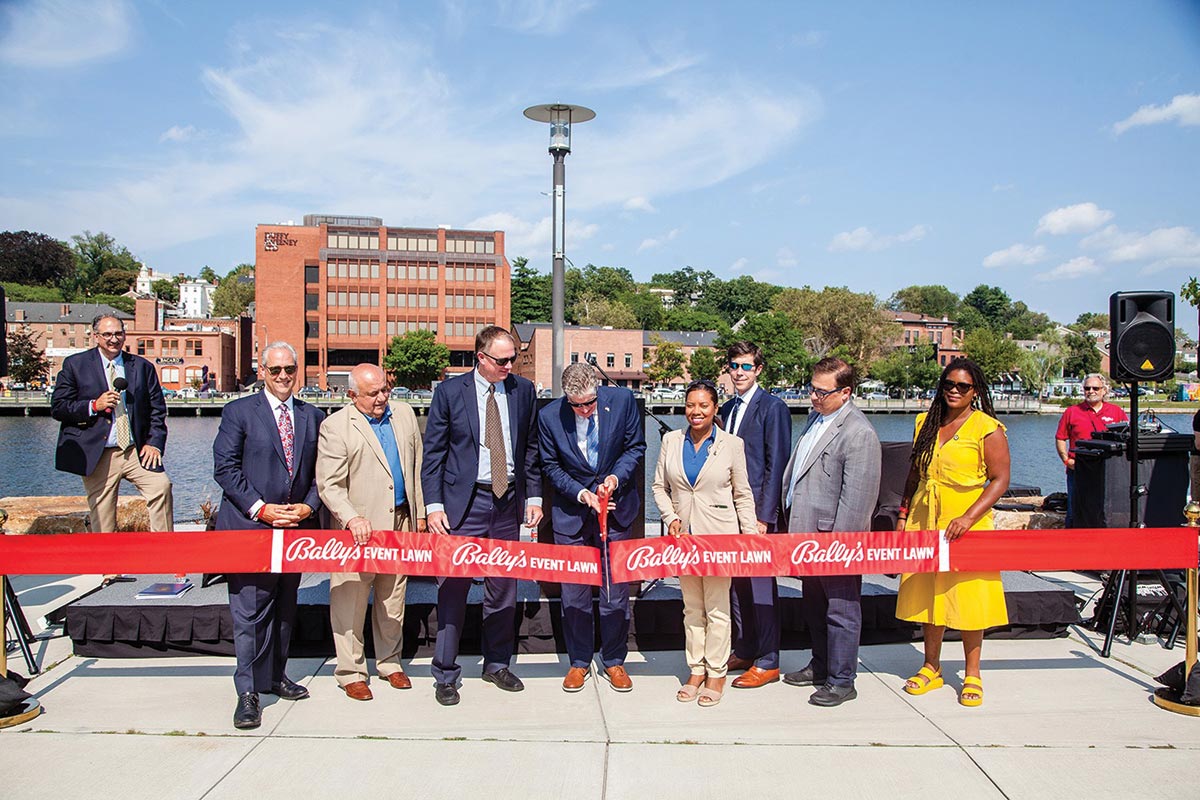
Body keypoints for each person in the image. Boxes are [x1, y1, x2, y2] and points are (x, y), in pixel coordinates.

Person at [422, 326, 542, 706]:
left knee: (503, 588)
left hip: (506, 502)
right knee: (453, 588)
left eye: (514, 358)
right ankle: (445, 672)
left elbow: (531, 449)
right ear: (481, 358)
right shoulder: (449, 392)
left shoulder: (523, 392)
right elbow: (434, 454)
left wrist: (534, 497)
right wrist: (434, 505)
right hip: (464, 503)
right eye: (503, 360)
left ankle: (496, 664)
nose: (511, 365)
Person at [213, 342, 324, 730]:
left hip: (294, 530)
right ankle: (248, 692)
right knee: (249, 614)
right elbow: (225, 469)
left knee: (284, 608)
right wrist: (260, 508)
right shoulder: (239, 412)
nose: (282, 377)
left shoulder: (313, 415)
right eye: (275, 370)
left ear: (297, 371)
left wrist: (309, 507)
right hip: (251, 529)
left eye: (289, 370)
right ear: (263, 371)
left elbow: (321, 473)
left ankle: (276, 676)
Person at [895, 357, 1011, 708]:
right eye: (949, 384)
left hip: (966, 522)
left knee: (968, 597)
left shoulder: (987, 427)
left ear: (976, 391)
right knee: (931, 593)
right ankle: (932, 666)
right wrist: (903, 514)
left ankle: (973, 672)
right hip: (925, 515)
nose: (954, 391)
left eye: (963, 386)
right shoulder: (924, 423)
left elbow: (1000, 479)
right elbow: (914, 474)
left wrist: (969, 515)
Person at [317, 363, 425, 701]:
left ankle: (391, 663)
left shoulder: (404, 415)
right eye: (373, 393)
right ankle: (351, 671)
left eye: (385, 390)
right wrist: (351, 518)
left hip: (401, 523)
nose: (382, 398)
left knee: (392, 600)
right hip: (357, 531)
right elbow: (329, 485)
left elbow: (416, 467)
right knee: (350, 603)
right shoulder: (335, 427)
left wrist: (420, 517)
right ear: (352, 395)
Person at [779, 357, 881, 707]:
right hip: (807, 535)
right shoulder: (816, 418)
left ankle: (842, 679)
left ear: (846, 392)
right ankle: (820, 665)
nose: (813, 397)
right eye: (812, 389)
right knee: (815, 607)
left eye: (822, 392)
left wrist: (841, 545)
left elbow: (858, 500)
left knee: (841, 609)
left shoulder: (859, 432)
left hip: (835, 541)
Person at [539, 363, 646, 693]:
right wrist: (582, 493)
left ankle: (614, 660)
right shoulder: (549, 417)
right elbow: (550, 466)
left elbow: (635, 448)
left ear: (598, 390)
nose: (584, 410)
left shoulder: (623, 400)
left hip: (616, 512)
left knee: (614, 593)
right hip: (572, 515)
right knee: (574, 595)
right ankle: (579, 662)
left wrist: (614, 479)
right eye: (577, 405)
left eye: (589, 402)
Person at [652, 379, 758, 708]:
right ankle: (695, 669)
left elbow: (742, 494)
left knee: (717, 609)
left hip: (719, 538)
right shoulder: (670, 440)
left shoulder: (731, 444)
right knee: (692, 609)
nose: (695, 412)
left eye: (703, 406)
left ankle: (716, 673)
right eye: (690, 405)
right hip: (683, 539)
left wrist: (750, 535)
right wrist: (670, 517)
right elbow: (658, 487)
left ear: (715, 408)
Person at [51, 313, 174, 583]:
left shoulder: (140, 367)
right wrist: (92, 406)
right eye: (107, 334)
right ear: (96, 337)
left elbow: (156, 409)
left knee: (161, 486)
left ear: (124, 335)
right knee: (102, 509)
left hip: (134, 449)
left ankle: (165, 555)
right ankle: (110, 568)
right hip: (98, 451)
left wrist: (154, 443)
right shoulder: (75, 365)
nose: (113, 339)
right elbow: (58, 407)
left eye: (118, 333)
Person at [721, 341, 791, 689]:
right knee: (737, 587)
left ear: (758, 370)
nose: (739, 372)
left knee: (761, 587)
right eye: (734, 365)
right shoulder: (729, 408)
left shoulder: (772, 407)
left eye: (746, 366)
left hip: (757, 517)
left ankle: (768, 660)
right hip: (728, 514)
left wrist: (764, 517)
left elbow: (775, 464)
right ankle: (745, 647)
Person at [1054, 374, 1126, 527]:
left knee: (1106, 511)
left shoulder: (1116, 412)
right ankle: (1071, 543)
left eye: (1095, 388)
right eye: (1087, 388)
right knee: (1075, 511)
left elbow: (1126, 438)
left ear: (1104, 391)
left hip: (1108, 470)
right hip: (1078, 469)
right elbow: (1060, 438)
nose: (1091, 391)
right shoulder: (1072, 412)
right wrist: (1066, 460)